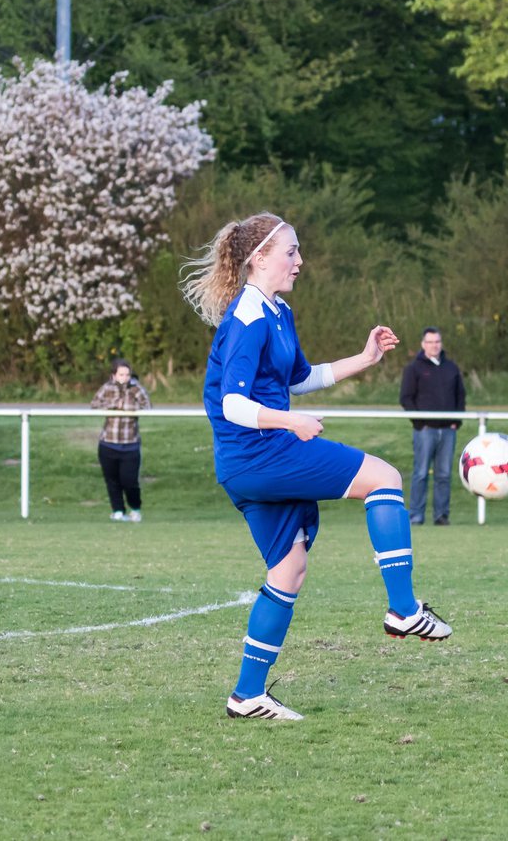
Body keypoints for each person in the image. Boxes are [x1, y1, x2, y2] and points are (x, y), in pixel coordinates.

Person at [180, 211, 452, 722]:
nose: (300, 261)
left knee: (289, 569)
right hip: (260, 454)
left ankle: (247, 696)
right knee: (386, 478)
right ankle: (403, 610)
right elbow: (234, 405)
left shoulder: (276, 312)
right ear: (259, 258)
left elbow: (302, 377)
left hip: (251, 460)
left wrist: (364, 358)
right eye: (291, 252)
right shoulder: (247, 319)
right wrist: (291, 422)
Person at [399, 326, 466, 526]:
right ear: (423, 344)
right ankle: (416, 516)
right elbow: (406, 398)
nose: (434, 345)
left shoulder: (451, 368)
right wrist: (420, 423)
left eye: (437, 342)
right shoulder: (414, 368)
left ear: (441, 343)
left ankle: (441, 515)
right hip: (425, 431)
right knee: (420, 473)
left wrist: (456, 421)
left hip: (448, 431)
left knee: (444, 474)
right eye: (430, 342)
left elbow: (460, 396)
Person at [89, 358, 151, 522]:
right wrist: (116, 404)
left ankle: (135, 509)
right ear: (114, 375)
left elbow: (147, 406)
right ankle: (117, 511)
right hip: (108, 442)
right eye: (121, 374)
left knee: (129, 481)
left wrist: (128, 405)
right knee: (112, 480)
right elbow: (95, 404)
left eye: (127, 374)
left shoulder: (136, 388)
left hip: (130, 443)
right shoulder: (107, 388)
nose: (124, 377)